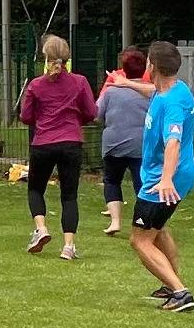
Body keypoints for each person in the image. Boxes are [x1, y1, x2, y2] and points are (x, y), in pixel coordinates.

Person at [130, 42, 194, 313]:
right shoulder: (176, 89)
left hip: (162, 181)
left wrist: (166, 178)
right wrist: (125, 84)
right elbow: (153, 91)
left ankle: (181, 292)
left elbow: (173, 140)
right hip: (179, 175)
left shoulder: (171, 103)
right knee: (158, 229)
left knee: (140, 239)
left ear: (152, 66)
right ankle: (173, 286)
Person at [18, 35, 99, 261]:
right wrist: (75, 119)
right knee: (69, 196)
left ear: (45, 57)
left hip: (43, 142)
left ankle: (41, 228)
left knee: (35, 189)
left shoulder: (36, 85)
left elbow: (26, 117)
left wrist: (41, 118)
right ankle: (68, 246)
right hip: (71, 142)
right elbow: (92, 112)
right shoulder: (80, 82)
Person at [98, 49, 151, 235]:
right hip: (141, 145)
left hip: (114, 143)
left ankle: (115, 221)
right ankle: (143, 220)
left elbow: (97, 114)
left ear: (123, 70)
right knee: (142, 184)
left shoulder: (111, 92)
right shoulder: (150, 92)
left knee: (112, 181)